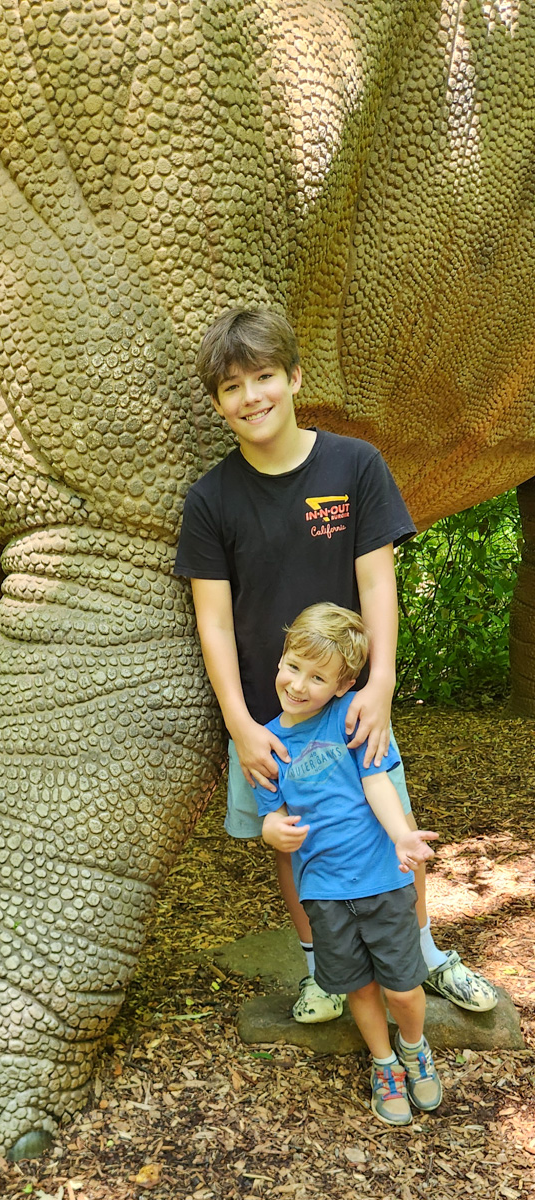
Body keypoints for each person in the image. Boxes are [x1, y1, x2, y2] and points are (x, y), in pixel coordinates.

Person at [174, 307, 497, 1020]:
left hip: (352, 705)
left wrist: (379, 685)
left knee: (390, 823)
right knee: (294, 842)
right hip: (271, 716)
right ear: (219, 403)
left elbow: (378, 583)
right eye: (231, 387)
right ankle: (322, 969)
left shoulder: (354, 465)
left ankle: (424, 957)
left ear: (294, 378)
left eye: (263, 377)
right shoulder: (211, 500)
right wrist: (240, 724)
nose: (251, 397)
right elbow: (213, 621)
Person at [253, 602, 442, 1125]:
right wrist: (272, 830)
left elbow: (376, 781)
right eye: (294, 666)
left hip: (381, 881)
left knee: (403, 988)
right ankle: (384, 1064)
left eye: (317, 677)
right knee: (359, 986)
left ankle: (414, 1048)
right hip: (325, 891)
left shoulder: (353, 716)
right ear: (281, 658)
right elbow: (271, 812)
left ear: (343, 684)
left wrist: (401, 835)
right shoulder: (266, 742)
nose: (298, 684)